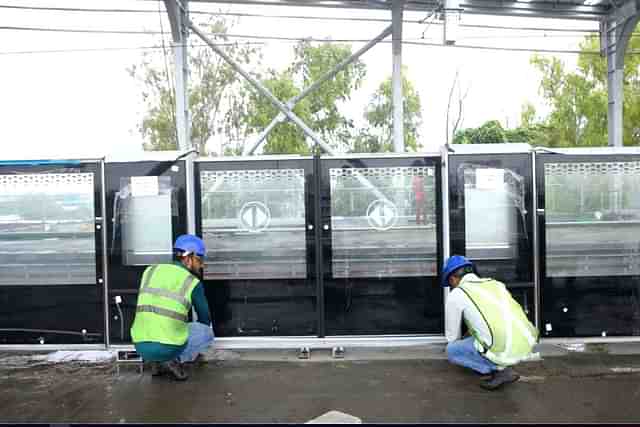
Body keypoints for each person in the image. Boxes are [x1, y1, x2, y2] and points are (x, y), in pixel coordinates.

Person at [441, 255, 538, 390]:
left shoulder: (457, 294)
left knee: (452, 350)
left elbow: (451, 337)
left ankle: (499, 369)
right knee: (475, 336)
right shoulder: (495, 284)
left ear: (452, 278)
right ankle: (500, 364)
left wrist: (461, 341)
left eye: (450, 283)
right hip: (525, 343)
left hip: (503, 347)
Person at [130, 234, 214, 381]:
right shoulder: (192, 282)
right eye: (199, 260)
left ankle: (156, 361)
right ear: (189, 258)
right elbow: (204, 317)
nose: (201, 265)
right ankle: (173, 360)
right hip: (168, 346)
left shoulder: (150, 271)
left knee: (161, 325)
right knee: (206, 333)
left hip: (140, 344)